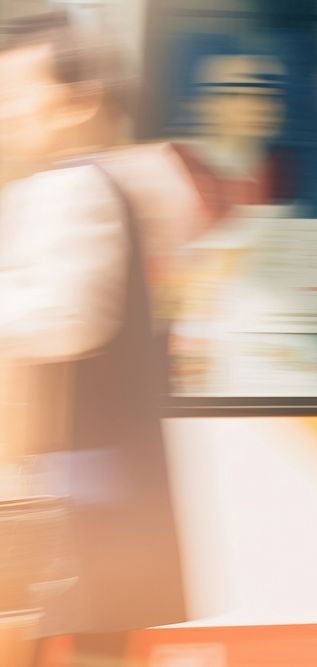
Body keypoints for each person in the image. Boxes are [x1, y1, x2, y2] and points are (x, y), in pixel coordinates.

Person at [0, 10, 186, 667]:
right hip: (88, 482)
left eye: (21, 91)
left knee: (73, 636)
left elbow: (66, 318)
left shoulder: (74, 187)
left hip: (83, 485)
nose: (7, 108)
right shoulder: (74, 182)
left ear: (80, 101)